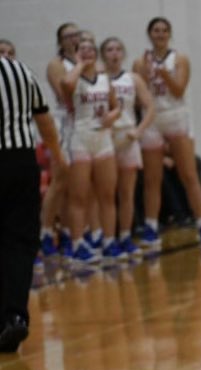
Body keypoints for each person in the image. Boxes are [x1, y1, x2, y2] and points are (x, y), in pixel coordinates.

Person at [0, 54, 66, 351]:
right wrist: (58, 157)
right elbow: (44, 120)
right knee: (20, 241)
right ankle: (15, 315)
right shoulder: (20, 69)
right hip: (22, 161)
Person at [134, 17, 201, 247]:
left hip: (176, 118)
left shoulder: (179, 59)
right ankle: (150, 227)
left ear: (170, 34)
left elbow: (178, 90)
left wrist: (162, 73)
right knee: (152, 178)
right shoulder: (140, 63)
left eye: (164, 30)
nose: (160, 34)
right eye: (156, 30)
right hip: (152, 119)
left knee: (189, 174)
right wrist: (148, 76)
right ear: (149, 34)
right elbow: (138, 100)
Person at [60, 38, 120, 266]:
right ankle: (77, 244)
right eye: (81, 50)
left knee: (107, 194)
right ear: (76, 55)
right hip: (81, 138)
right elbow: (65, 85)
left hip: (103, 138)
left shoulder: (105, 79)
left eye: (90, 50)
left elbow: (116, 106)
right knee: (79, 196)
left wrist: (113, 116)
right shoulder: (72, 78)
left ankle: (109, 240)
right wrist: (79, 65)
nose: (87, 53)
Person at [102, 37, 154, 260]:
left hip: (128, 137)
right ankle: (106, 238)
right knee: (105, 194)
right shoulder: (99, 79)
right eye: (109, 49)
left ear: (123, 53)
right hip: (106, 139)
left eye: (117, 49)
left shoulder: (132, 78)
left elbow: (150, 107)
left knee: (127, 193)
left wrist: (139, 131)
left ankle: (125, 236)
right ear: (103, 54)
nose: (114, 53)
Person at [41, 22, 80, 259]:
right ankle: (45, 232)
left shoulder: (87, 61)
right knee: (59, 181)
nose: (72, 39)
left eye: (76, 34)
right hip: (64, 125)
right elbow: (64, 95)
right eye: (67, 36)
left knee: (75, 185)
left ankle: (68, 232)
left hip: (84, 125)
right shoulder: (56, 65)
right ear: (60, 41)